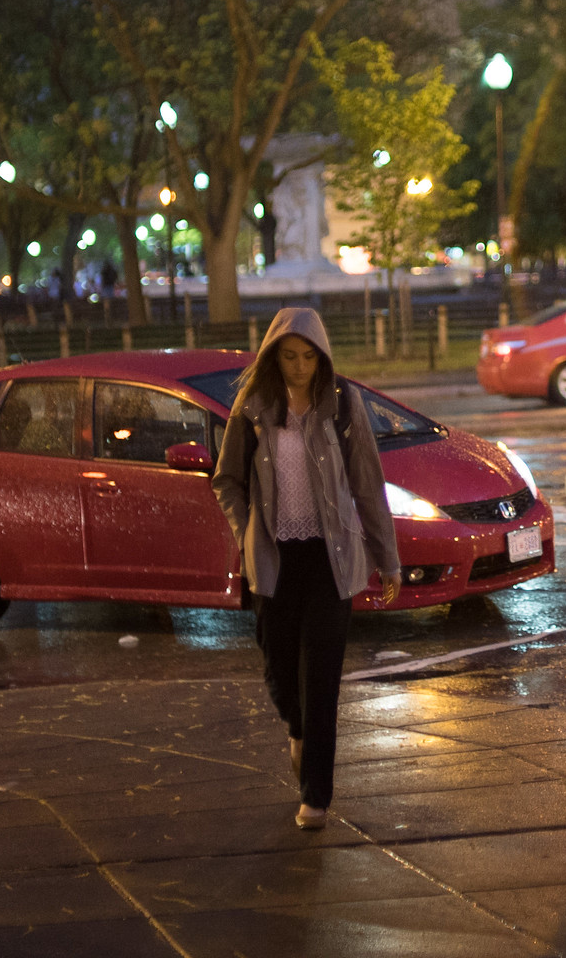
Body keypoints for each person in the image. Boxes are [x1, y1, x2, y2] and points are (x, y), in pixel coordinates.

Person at [213, 307, 399, 828]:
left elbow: (368, 484)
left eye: (309, 357)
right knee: (279, 674)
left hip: (331, 560)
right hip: (274, 560)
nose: (299, 367)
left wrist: (388, 559)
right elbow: (226, 480)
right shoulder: (252, 407)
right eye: (290, 357)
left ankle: (316, 797)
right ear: (274, 357)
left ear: (323, 358)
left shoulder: (343, 405)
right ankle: (296, 730)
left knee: (322, 682)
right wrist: (245, 531)